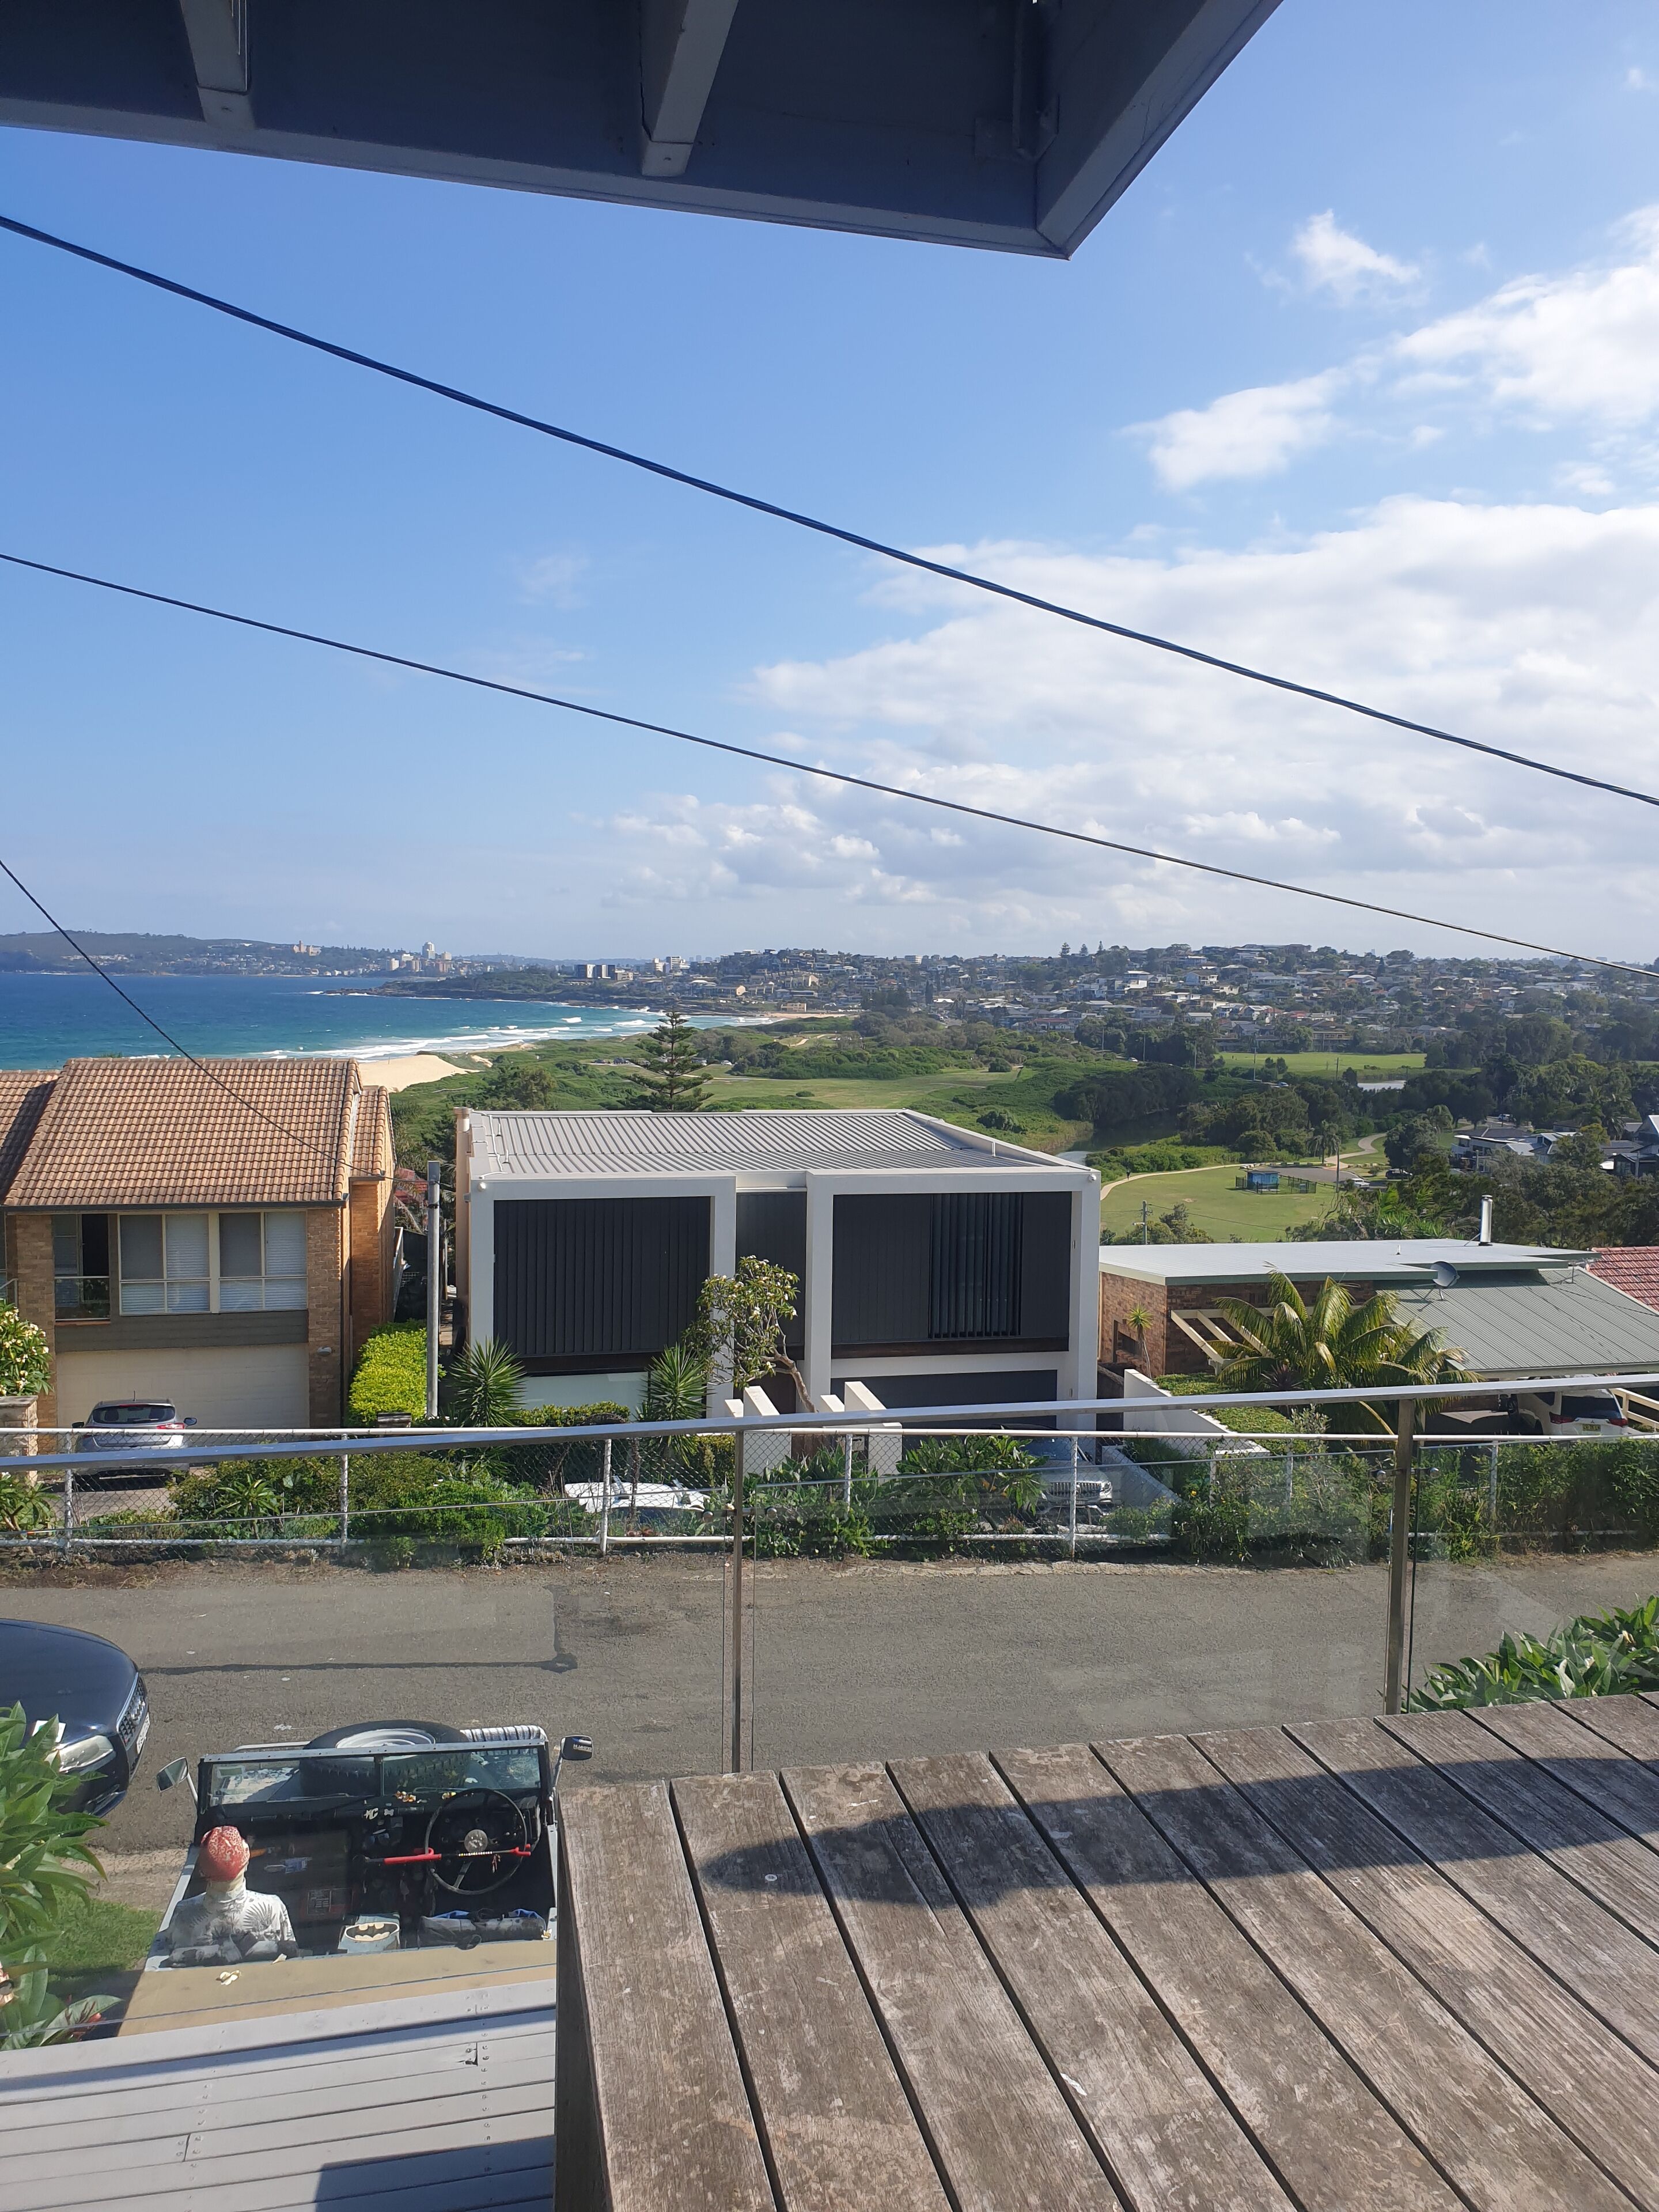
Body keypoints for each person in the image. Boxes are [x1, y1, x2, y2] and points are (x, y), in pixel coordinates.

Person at [165, 1825, 296, 1963]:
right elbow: (290, 1956)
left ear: (202, 1872)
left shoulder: (182, 1913)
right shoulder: (273, 1907)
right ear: (245, 1864)